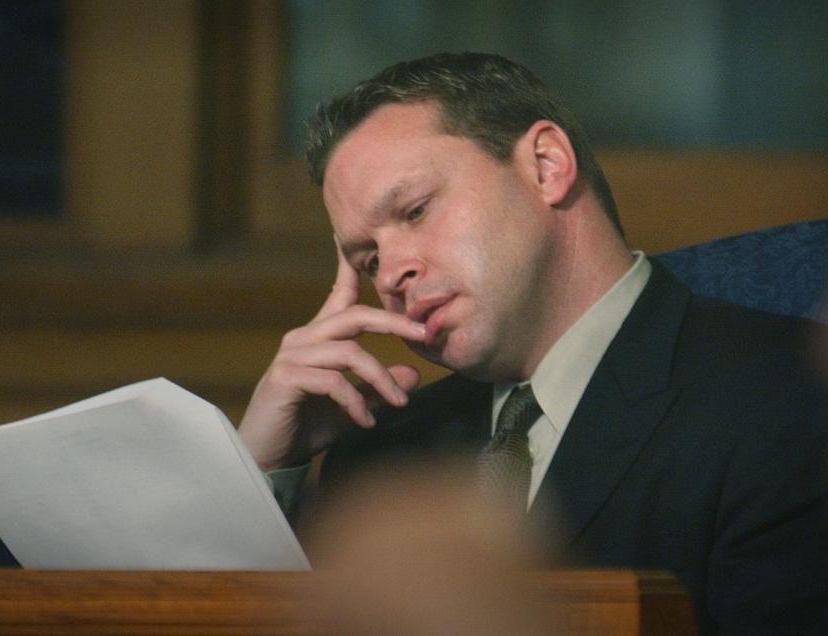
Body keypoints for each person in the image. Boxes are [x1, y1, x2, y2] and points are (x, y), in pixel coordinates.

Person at [237, 52, 828, 633]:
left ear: (546, 166)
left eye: (415, 211)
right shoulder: (379, 455)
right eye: (367, 259)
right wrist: (265, 469)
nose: (389, 273)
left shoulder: (792, 396)